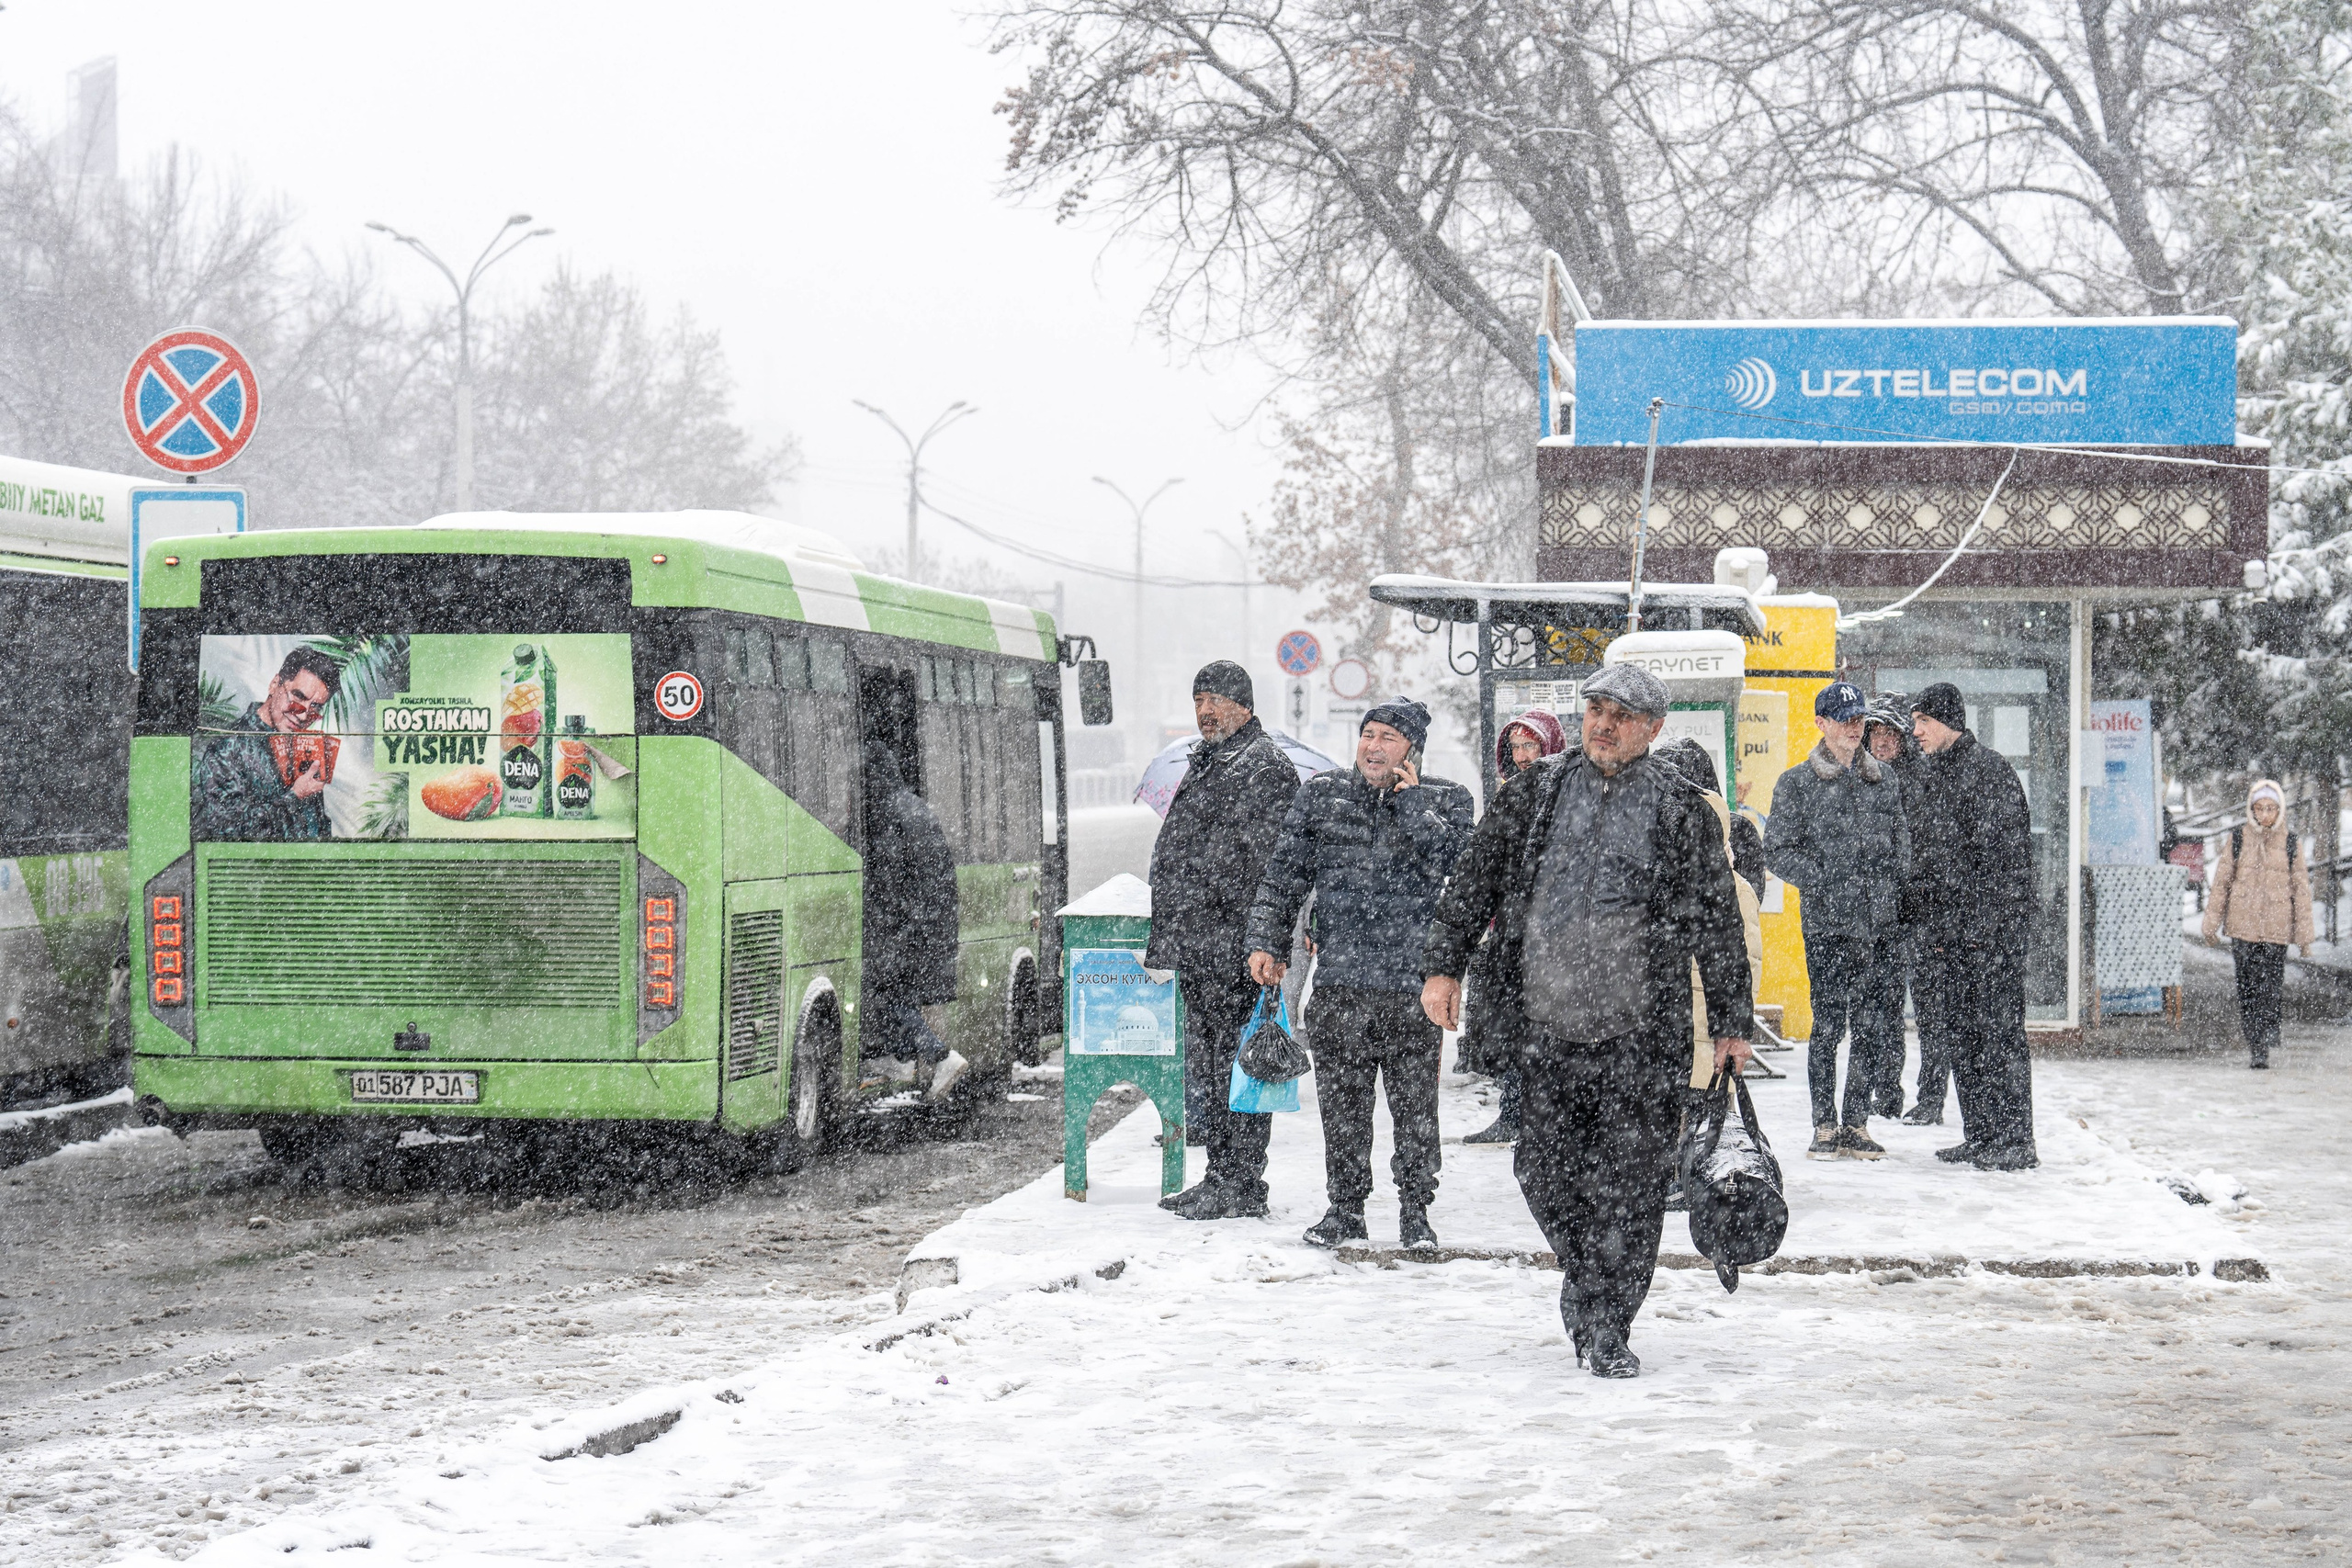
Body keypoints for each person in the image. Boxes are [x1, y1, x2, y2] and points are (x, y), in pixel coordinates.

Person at [1422, 664, 1752, 1379]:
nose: (1603, 724)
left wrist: (1731, 1019)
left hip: (1640, 1031)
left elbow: (1717, 920)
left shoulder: (1682, 808)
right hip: (1546, 1024)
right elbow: (1474, 877)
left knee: (1632, 1186)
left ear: (1655, 728)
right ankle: (1588, 1279)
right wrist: (1443, 964)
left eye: (1621, 714)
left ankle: (1607, 1321)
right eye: (1596, 708)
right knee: (1542, 1169)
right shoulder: (1536, 792)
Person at [1246, 698, 1476, 1250]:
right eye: (1368, 734)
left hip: (1410, 988)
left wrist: (1413, 805)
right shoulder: (1322, 797)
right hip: (1340, 984)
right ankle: (1345, 1208)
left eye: (1388, 738)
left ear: (1411, 750)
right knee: (1343, 1109)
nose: (1373, 747)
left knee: (1415, 1109)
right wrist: (1266, 942)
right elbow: (1283, 877)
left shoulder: (1446, 800)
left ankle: (1416, 1211)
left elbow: (1463, 871)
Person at [1149, 660, 1303, 1220]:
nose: (1205, 711)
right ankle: (1221, 1174)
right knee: (1212, 1068)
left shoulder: (1267, 769)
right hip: (1200, 946)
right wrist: (1168, 938)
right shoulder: (1207, 762)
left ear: (1244, 704)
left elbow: (1263, 865)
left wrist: (1205, 886)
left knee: (1241, 1068)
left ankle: (1240, 1181)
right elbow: (1175, 852)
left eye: (1215, 699)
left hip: (1239, 947)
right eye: (1198, 701)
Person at [1766, 682, 1910, 1161]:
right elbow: (1778, 851)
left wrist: (1893, 891)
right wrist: (1825, 879)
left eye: (1858, 719)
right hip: (1828, 924)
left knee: (1870, 1026)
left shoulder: (1884, 781)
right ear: (1821, 723)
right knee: (1828, 1026)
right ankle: (1823, 1123)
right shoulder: (1797, 783)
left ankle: (1856, 1122)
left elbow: (1900, 845)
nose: (1854, 727)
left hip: (1878, 925)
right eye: (1843, 718)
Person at [1905, 682, 2039, 1170]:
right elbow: (1928, 859)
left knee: (2000, 1035)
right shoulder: (1932, 775)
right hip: (1949, 938)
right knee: (1963, 1035)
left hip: (1991, 937)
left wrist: (1988, 930)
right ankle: (1981, 1133)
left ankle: (2016, 1140)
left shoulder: (1990, 772)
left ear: (1947, 722)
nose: (1914, 731)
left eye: (1922, 722)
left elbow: (2005, 864)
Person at [1460, 709, 1571, 1145]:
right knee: (1513, 1026)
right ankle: (1512, 1112)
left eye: (1532, 745)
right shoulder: (1510, 796)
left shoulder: (1566, 793)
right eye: (1517, 746)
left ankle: (1547, 1118)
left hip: (1553, 935)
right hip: (1510, 933)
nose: (1524, 755)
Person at [861, 743, 967, 1102]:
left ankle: (939, 1057)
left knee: (889, 993)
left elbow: (891, 882)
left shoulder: (891, 813)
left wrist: (889, 932)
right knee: (899, 994)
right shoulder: (915, 806)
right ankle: (901, 1058)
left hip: (913, 927)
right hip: (933, 923)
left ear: (872, 779)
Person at [2201, 779, 2314, 1069]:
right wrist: (2211, 924)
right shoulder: (2238, 840)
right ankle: (2255, 1042)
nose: (2265, 815)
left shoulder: (2291, 843)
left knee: (2270, 989)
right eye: (2260, 808)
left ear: (2280, 810)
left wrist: (2304, 937)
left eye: (2271, 809)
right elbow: (2222, 883)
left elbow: (2301, 890)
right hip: (2242, 928)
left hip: (2276, 929)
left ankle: (2265, 1041)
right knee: (2248, 987)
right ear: (2251, 810)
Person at [191, 647, 342, 843]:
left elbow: (316, 826)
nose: (304, 715)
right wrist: (294, 797)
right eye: (298, 697)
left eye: (315, 708)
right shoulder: (228, 747)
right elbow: (228, 830)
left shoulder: (306, 747)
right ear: (274, 685)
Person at [1862, 698, 1921, 1120]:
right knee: (1870, 1007)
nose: (1883, 742)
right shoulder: (1857, 778)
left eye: (1891, 734)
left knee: (1902, 1006)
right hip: (1865, 913)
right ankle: (1871, 1087)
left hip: (1908, 913)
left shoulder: (1919, 783)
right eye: (1876, 734)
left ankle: (1893, 1089)